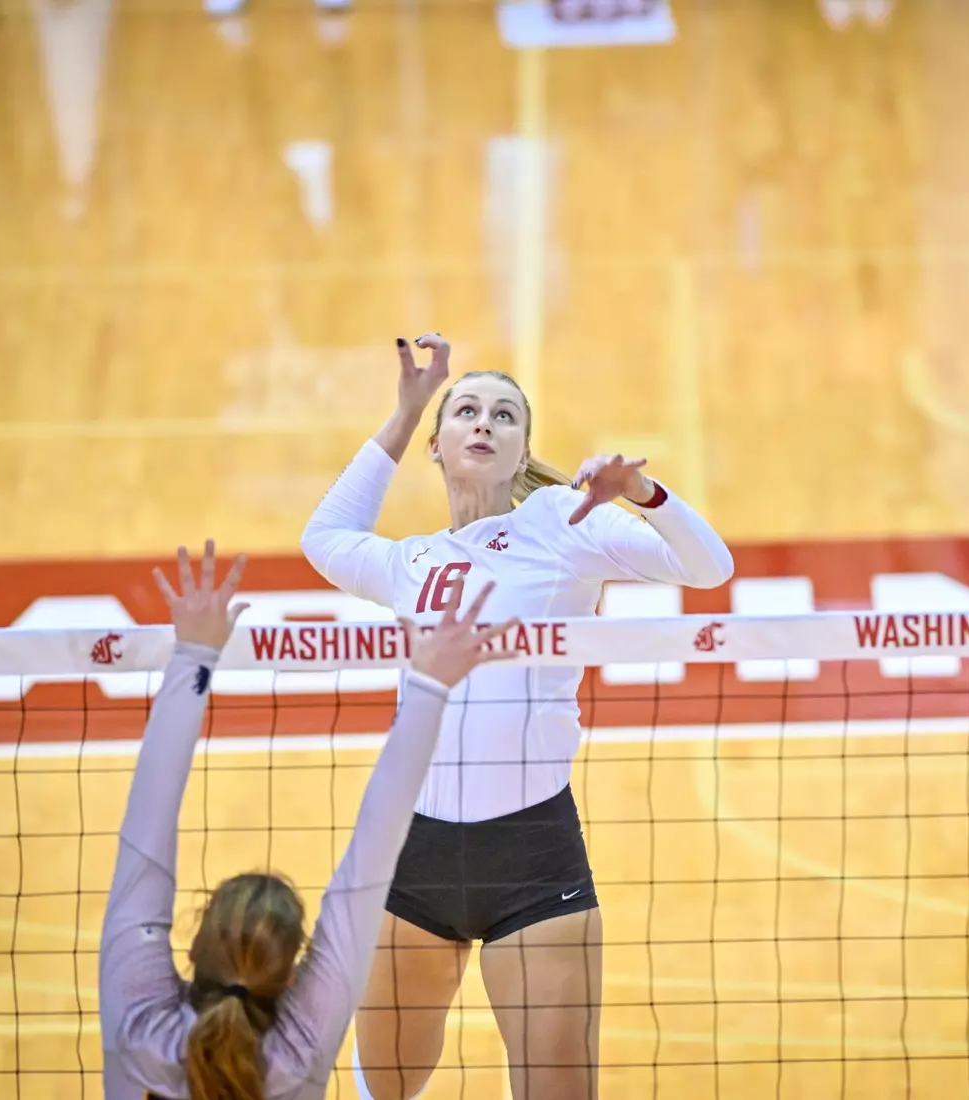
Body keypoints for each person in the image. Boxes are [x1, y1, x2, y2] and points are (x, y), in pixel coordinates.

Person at [300, 335, 734, 1100]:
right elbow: (324, 539)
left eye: (504, 415)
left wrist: (643, 494)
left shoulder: (563, 523)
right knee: (382, 1089)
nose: (484, 423)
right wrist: (405, 413)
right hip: (412, 855)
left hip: (532, 858)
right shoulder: (411, 562)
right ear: (438, 446)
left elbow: (708, 569)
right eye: (465, 411)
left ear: (522, 446)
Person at [99, 539, 518, 1100]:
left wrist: (193, 657)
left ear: (195, 945)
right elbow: (373, 851)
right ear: (293, 976)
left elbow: (147, 820)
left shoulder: (138, 1024)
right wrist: (431, 685)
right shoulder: (302, 1045)